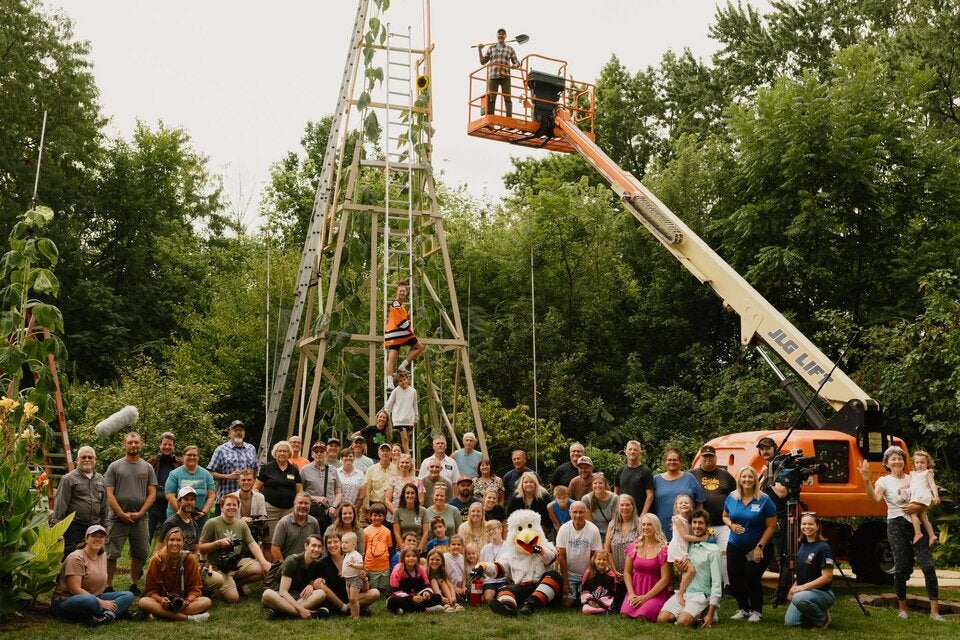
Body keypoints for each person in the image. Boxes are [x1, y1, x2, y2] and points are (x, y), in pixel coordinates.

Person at [861, 446, 944, 621]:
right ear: (887, 463)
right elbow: (875, 499)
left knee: (928, 566)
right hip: (896, 524)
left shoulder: (915, 477)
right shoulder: (884, 481)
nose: (897, 461)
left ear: (904, 462)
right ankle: (903, 609)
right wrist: (866, 480)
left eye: (900, 458)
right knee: (901, 569)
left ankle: (935, 612)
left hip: (918, 523)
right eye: (893, 459)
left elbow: (929, 499)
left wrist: (918, 507)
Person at [104, 431, 158, 594]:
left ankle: (134, 584)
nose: (133, 445)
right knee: (111, 553)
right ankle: (108, 585)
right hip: (117, 518)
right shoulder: (115, 466)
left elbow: (152, 494)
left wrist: (141, 513)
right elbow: (109, 493)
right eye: (130, 442)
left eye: (136, 442)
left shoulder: (147, 467)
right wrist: (120, 513)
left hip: (140, 519)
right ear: (124, 445)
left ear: (141, 444)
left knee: (139, 552)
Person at [723, 465, 777, 622]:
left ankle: (757, 611)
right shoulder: (732, 497)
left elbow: (771, 526)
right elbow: (725, 515)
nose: (747, 480)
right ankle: (743, 608)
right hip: (735, 544)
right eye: (743, 477)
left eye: (750, 477)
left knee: (752, 577)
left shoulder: (764, 499)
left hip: (758, 546)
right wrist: (731, 525)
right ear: (739, 479)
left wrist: (759, 547)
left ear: (755, 479)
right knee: (734, 577)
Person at [51, 524, 135, 625]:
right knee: (89, 600)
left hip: (95, 597)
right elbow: (74, 589)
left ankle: (105, 616)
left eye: (101, 536)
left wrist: (99, 600)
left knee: (128, 595)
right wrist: (101, 602)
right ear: (86, 538)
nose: (98, 539)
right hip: (67, 600)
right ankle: (115, 613)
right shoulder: (76, 558)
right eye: (94, 536)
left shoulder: (102, 555)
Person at [197, 493, 272, 603]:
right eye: (228, 505)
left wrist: (264, 561)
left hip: (236, 563)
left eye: (234, 505)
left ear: (238, 507)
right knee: (233, 598)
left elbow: (252, 544)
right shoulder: (212, 523)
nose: (232, 507)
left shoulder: (241, 525)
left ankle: (234, 584)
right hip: (217, 567)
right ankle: (215, 587)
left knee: (263, 569)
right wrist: (217, 543)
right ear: (222, 507)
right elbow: (201, 548)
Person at [656, 510, 722, 628]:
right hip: (685, 593)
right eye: (694, 522)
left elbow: (717, 583)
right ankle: (691, 612)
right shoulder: (687, 546)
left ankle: (707, 611)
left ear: (707, 525)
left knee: (682, 623)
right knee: (662, 618)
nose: (697, 526)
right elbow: (682, 569)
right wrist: (679, 568)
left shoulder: (714, 550)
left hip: (701, 594)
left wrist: (711, 614)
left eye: (701, 523)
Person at [137, 527, 213, 622]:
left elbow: (195, 589)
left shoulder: (190, 559)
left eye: (178, 540)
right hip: (162, 603)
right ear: (166, 542)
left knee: (206, 601)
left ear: (183, 543)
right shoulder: (157, 560)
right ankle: (189, 618)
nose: (175, 543)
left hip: (182, 602)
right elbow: (150, 590)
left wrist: (187, 601)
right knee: (143, 602)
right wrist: (160, 599)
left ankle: (159, 615)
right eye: (171, 540)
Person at [51, 446, 109, 558]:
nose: (87, 459)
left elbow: (104, 505)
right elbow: (60, 504)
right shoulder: (68, 479)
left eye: (90, 457)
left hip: (94, 526)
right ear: (77, 460)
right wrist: (56, 528)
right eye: (83, 457)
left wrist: (105, 524)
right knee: (72, 557)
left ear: (95, 460)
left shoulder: (101, 479)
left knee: (92, 556)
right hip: (74, 527)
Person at [689, 443, 735, 584]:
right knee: (703, 555)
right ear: (700, 458)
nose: (707, 459)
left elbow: (736, 495)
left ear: (715, 458)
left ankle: (727, 584)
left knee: (725, 554)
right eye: (705, 457)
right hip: (701, 525)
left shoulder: (725, 475)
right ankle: (705, 583)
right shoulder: (691, 475)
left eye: (710, 456)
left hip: (723, 524)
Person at [784, 512, 835, 629]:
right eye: (804, 524)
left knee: (799, 599)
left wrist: (801, 588)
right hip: (805, 593)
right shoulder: (803, 546)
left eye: (810, 524)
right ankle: (813, 613)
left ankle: (822, 619)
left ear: (817, 526)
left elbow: (827, 577)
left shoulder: (823, 547)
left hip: (823, 593)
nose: (807, 527)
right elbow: (802, 574)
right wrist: (793, 588)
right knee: (790, 623)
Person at [261, 534, 330, 619]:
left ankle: (280, 613)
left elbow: (312, 580)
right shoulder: (292, 561)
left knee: (321, 593)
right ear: (306, 546)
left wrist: (311, 585)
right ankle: (306, 614)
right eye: (313, 545)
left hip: (298, 597)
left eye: (319, 546)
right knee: (267, 594)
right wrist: (301, 609)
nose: (316, 549)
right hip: (279, 596)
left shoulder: (315, 564)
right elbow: (283, 591)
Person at [255, 440, 303, 554]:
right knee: (268, 540)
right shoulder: (267, 467)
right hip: (270, 509)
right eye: (279, 451)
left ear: (289, 453)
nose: (282, 453)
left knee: (287, 539)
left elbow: (300, 491)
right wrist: (260, 503)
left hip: (289, 510)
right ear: (275, 453)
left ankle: (284, 565)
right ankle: (270, 568)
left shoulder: (294, 470)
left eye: (285, 451)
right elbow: (256, 487)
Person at [620, 513, 670, 620]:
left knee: (642, 616)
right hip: (636, 590)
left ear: (656, 526)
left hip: (655, 593)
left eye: (649, 525)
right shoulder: (634, 546)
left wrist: (646, 597)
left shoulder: (663, 549)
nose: (645, 527)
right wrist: (631, 593)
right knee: (625, 614)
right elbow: (627, 572)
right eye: (643, 525)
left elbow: (665, 579)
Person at [317, 532, 381, 616]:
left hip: (352, 597)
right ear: (326, 545)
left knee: (375, 592)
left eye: (336, 541)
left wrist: (364, 579)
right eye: (329, 542)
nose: (332, 545)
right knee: (320, 585)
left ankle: (348, 609)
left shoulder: (353, 558)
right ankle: (344, 608)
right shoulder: (322, 563)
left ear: (341, 543)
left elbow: (365, 590)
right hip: (335, 600)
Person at [651, 447, 704, 541]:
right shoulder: (656, 479)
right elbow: (650, 502)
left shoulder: (690, 478)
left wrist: (697, 524)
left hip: (686, 527)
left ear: (680, 462)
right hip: (661, 528)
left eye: (675, 460)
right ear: (665, 462)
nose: (672, 462)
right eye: (669, 460)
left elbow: (700, 503)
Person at [556, 500, 603, 607]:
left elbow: (594, 556)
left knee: (588, 603)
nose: (578, 515)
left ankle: (582, 592)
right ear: (570, 513)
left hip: (586, 574)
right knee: (567, 604)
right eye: (575, 512)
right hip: (569, 574)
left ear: (586, 512)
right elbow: (562, 557)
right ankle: (573, 593)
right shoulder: (563, 529)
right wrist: (565, 582)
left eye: (581, 512)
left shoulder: (593, 529)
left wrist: (590, 578)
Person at [208, 420, 259, 512]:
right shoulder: (221, 450)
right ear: (230, 433)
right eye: (235, 430)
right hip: (226, 500)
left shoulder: (251, 448)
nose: (238, 432)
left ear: (244, 433)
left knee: (247, 526)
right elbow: (210, 473)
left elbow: (256, 471)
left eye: (241, 430)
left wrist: (254, 486)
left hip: (247, 501)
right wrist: (228, 476)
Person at [667, 494, 709, 605]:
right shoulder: (677, 519)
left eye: (686, 502)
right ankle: (680, 593)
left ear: (691, 505)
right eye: (681, 503)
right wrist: (702, 538)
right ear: (676, 507)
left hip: (686, 547)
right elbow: (685, 536)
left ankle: (684, 592)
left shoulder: (690, 519)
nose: (684, 504)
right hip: (677, 548)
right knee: (691, 570)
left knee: (684, 572)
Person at [384, 279, 424, 392]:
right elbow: (400, 321)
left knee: (392, 357)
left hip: (393, 334)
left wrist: (409, 315)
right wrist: (408, 325)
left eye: (404, 291)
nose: (402, 293)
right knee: (419, 347)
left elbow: (402, 317)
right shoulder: (396, 304)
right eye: (400, 290)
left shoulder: (401, 306)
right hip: (399, 333)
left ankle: (390, 383)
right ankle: (402, 366)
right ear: (397, 291)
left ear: (406, 293)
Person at [163, 444, 216, 525]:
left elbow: (211, 496)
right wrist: (183, 514)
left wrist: (204, 512)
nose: (192, 457)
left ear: (198, 457)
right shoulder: (174, 474)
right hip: (177, 517)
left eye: (194, 455)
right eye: (189, 455)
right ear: (183, 457)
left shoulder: (206, 474)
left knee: (199, 538)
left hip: (200, 517)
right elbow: (170, 496)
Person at [604, 493, 640, 612]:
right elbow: (607, 550)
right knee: (615, 607)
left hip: (635, 574)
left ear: (633, 507)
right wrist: (613, 570)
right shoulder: (612, 525)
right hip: (616, 575)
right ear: (618, 507)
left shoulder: (640, 525)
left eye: (627, 505)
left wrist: (632, 571)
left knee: (627, 607)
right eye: (621, 505)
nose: (624, 508)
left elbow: (644, 551)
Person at [387, 546, 445, 614]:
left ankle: (405, 610)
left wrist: (426, 593)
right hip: (401, 597)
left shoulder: (420, 569)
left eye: (414, 556)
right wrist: (411, 598)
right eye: (408, 556)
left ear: (417, 558)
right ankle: (426, 609)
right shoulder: (397, 570)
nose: (411, 558)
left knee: (437, 597)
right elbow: (395, 591)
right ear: (403, 558)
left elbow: (427, 586)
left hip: (417, 596)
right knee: (393, 601)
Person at [299, 440, 342, 532]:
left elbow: (338, 492)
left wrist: (333, 506)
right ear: (312, 454)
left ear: (326, 453)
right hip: (311, 511)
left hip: (329, 512)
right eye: (316, 452)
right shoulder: (305, 470)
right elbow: (299, 492)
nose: (319, 454)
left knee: (327, 539)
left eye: (322, 451)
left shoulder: (333, 470)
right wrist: (315, 498)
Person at [145, 432, 182, 538]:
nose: (167, 447)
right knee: (147, 534)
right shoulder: (151, 462)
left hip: (171, 503)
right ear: (160, 445)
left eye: (170, 445)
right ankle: (144, 555)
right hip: (153, 503)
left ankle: (167, 554)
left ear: (173, 446)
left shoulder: (179, 463)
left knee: (170, 534)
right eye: (164, 444)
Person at [477, 28, 519, 117]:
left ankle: (509, 119)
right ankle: (490, 119)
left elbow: (516, 62)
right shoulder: (491, 48)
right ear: (497, 36)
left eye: (503, 34)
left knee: (508, 99)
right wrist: (480, 50)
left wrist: (515, 65)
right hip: (493, 77)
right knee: (491, 98)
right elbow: (482, 62)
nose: (501, 35)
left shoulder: (510, 49)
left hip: (505, 76)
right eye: (499, 34)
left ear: (505, 36)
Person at [272, 492, 321, 560]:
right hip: (288, 565)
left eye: (306, 503)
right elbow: (275, 548)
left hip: (308, 565)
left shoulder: (314, 522)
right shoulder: (284, 523)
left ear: (310, 505)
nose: (303, 506)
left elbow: (318, 545)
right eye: (300, 503)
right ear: (294, 504)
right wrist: (284, 566)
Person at [505, 471, 552, 537]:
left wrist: (544, 531)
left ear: (535, 483)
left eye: (531, 482)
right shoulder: (516, 497)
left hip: (540, 530)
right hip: (520, 531)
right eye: (526, 482)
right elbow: (510, 516)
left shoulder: (544, 496)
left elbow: (548, 517)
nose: (528, 484)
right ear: (522, 484)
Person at [907, 450, 939, 545]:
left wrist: (936, 496)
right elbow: (909, 483)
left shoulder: (927, 473)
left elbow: (933, 485)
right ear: (914, 463)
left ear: (927, 463)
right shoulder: (913, 473)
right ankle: (932, 535)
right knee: (923, 516)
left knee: (912, 513)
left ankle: (918, 533)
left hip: (922, 495)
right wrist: (902, 488)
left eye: (922, 462)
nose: (919, 465)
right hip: (917, 495)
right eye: (917, 462)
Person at [615, 440, 655, 516]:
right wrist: (617, 512)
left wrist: (643, 514)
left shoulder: (646, 471)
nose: (632, 452)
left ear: (640, 453)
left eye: (635, 450)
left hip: (639, 515)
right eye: (630, 449)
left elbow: (650, 496)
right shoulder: (620, 470)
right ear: (626, 452)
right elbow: (616, 493)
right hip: (623, 514)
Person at [384, 453, 425, 526]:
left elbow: (421, 501)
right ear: (398, 464)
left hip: (412, 517)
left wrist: (409, 513)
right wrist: (397, 514)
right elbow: (387, 501)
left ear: (411, 465)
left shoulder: (418, 481)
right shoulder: (392, 480)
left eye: (407, 462)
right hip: (394, 518)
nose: (404, 464)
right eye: (402, 462)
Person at [382, 369, 417, 453]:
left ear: (407, 379)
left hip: (409, 419)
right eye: (401, 381)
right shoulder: (396, 391)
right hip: (399, 419)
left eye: (404, 379)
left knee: (406, 440)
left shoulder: (413, 391)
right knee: (404, 439)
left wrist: (416, 419)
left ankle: (404, 454)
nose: (403, 382)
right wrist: (386, 415)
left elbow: (415, 406)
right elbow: (389, 404)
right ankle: (408, 456)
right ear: (397, 383)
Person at [158, 486, 201, 552]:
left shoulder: (194, 524)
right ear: (179, 502)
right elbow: (160, 550)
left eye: (192, 499)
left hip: (190, 560)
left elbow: (197, 549)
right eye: (186, 499)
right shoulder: (171, 523)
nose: (189, 502)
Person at [362, 502, 393, 591]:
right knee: (373, 588)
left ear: (384, 516)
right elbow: (364, 548)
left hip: (384, 566)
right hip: (370, 566)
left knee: (383, 587)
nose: (377, 518)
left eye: (380, 515)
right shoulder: (366, 531)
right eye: (375, 515)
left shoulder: (387, 531)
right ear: (370, 516)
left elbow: (389, 547)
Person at [364, 442, 398, 522]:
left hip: (391, 507)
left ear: (391, 454)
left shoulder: (397, 470)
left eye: (387, 451)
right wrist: (367, 509)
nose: (385, 453)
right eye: (383, 451)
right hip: (375, 506)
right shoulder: (371, 469)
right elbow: (367, 489)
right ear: (378, 453)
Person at [582, 473, 619, 543]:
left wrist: (607, 540)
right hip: (594, 532)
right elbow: (590, 523)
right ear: (592, 485)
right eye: (595, 483)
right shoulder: (586, 499)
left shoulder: (614, 498)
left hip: (611, 531)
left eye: (600, 483)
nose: (598, 485)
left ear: (605, 485)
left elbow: (614, 522)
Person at [394, 482, 429, 552]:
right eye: (407, 493)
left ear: (416, 495)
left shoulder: (423, 511)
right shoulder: (398, 511)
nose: (410, 495)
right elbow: (397, 533)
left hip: (419, 548)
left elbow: (426, 533)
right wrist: (403, 550)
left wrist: (419, 550)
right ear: (404, 495)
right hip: (403, 549)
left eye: (412, 493)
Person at [580, 550, 618, 614]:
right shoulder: (588, 573)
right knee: (585, 610)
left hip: (605, 601)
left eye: (604, 559)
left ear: (608, 561)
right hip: (591, 601)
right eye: (599, 559)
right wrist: (590, 600)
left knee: (609, 605)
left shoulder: (611, 575)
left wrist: (600, 603)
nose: (601, 561)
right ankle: (601, 611)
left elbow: (612, 592)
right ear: (594, 560)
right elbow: (584, 589)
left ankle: (602, 609)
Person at [340, 531, 366, 619]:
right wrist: (342, 572)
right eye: (342, 542)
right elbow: (345, 566)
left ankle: (357, 616)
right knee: (350, 599)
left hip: (355, 579)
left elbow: (362, 565)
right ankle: (352, 614)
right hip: (347, 580)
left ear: (354, 544)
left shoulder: (356, 554)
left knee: (354, 599)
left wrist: (353, 565)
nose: (343, 545)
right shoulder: (346, 555)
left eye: (346, 542)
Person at [479, 520, 506, 602]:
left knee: (503, 598)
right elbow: (482, 565)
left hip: (504, 580)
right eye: (488, 530)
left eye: (493, 529)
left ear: (500, 529)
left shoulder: (508, 546)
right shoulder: (485, 548)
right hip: (489, 580)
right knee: (488, 598)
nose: (491, 532)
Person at [444, 534, 469, 604]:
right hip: (451, 587)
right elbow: (445, 576)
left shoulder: (462, 557)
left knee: (470, 597)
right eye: (453, 544)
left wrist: (464, 587)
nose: (456, 546)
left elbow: (464, 574)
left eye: (459, 544)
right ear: (448, 546)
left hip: (460, 587)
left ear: (462, 546)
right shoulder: (445, 557)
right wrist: (454, 588)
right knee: (462, 601)